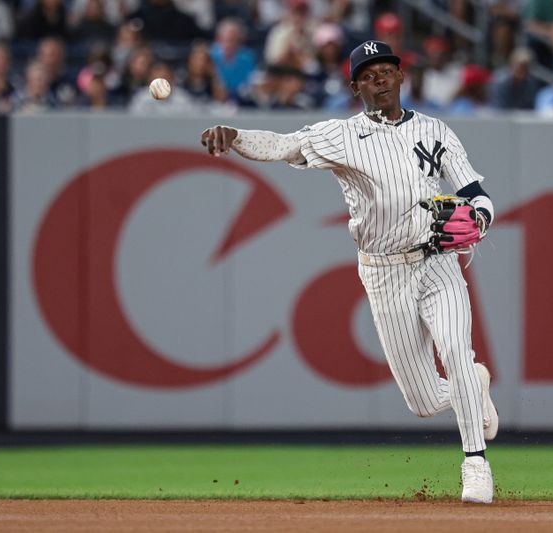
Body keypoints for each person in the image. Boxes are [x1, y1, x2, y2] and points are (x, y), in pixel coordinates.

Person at [200, 40, 499, 504]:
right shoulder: (340, 136)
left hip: (437, 260)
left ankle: (475, 464)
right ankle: (472, 388)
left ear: (401, 77)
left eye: (387, 70)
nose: (379, 79)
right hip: (383, 273)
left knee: (456, 350)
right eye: (368, 74)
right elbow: (283, 145)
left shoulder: (436, 130)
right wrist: (234, 135)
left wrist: (479, 218)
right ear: (355, 86)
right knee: (422, 401)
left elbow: (476, 193)